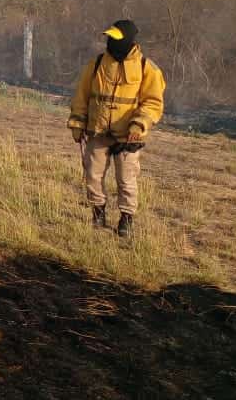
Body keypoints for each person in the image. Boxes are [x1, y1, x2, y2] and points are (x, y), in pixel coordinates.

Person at [67, 19, 165, 239]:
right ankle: (98, 214)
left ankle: (126, 220)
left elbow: (153, 103)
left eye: (116, 39)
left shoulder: (146, 67)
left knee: (126, 180)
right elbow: (81, 96)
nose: (111, 42)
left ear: (129, 41)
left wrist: (139, 124)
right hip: (97, 132)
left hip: (128, 138)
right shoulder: (96, 63)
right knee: (92, 175)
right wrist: (77, 123)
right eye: (110, 38)